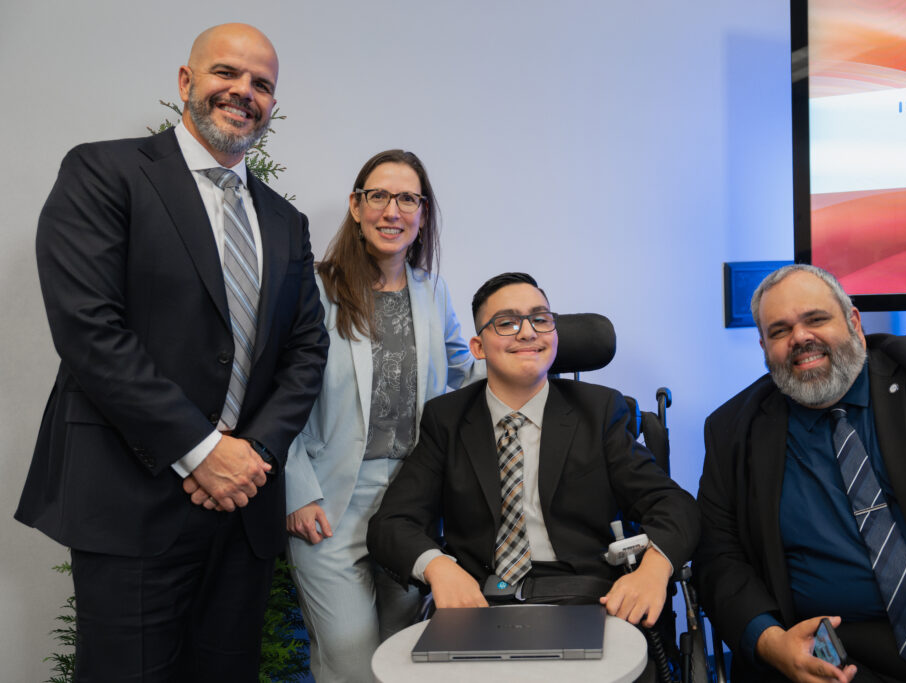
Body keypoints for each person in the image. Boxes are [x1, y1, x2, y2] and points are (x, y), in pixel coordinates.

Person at [14, 24, 328, 681]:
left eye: (262, 84)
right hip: (132, 499)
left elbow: (307, 349)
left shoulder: (285, 221)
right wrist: (203, 449)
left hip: (243, 509)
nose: (243, 91)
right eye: (227, 74)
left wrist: (254, 454)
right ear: (185, 83)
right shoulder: (104, 172)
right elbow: (88, 328)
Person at [695, 263, 906, 683]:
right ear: (763, 346)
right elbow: (718, 559)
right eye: (779, 331)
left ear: (853, 322)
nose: (800, 337)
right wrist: (770, 641)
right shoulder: (731, 431)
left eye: (815, 319)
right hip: (846, 662)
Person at [367, 272, 699, 630]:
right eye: (507, 322)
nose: (527, 332)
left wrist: (652, 569)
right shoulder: (446, 419)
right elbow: (391, 524)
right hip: (479, 602)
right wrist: (439, 567)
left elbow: (674, 505)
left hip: (587, 600)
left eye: (540, 319)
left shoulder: (599, 411)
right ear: (478, 347)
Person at [284, 149, 482, 682]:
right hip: (329, 502)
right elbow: (278, 392)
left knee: (405, 659)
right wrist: (296, 487)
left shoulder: (432, 291)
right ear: (356, 205)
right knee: (350, 660)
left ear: (422, 215)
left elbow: (462, 374)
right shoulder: (314, 287)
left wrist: (520, 356)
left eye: (408, 199)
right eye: (379, 196)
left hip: (412, 503)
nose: (392, 210)